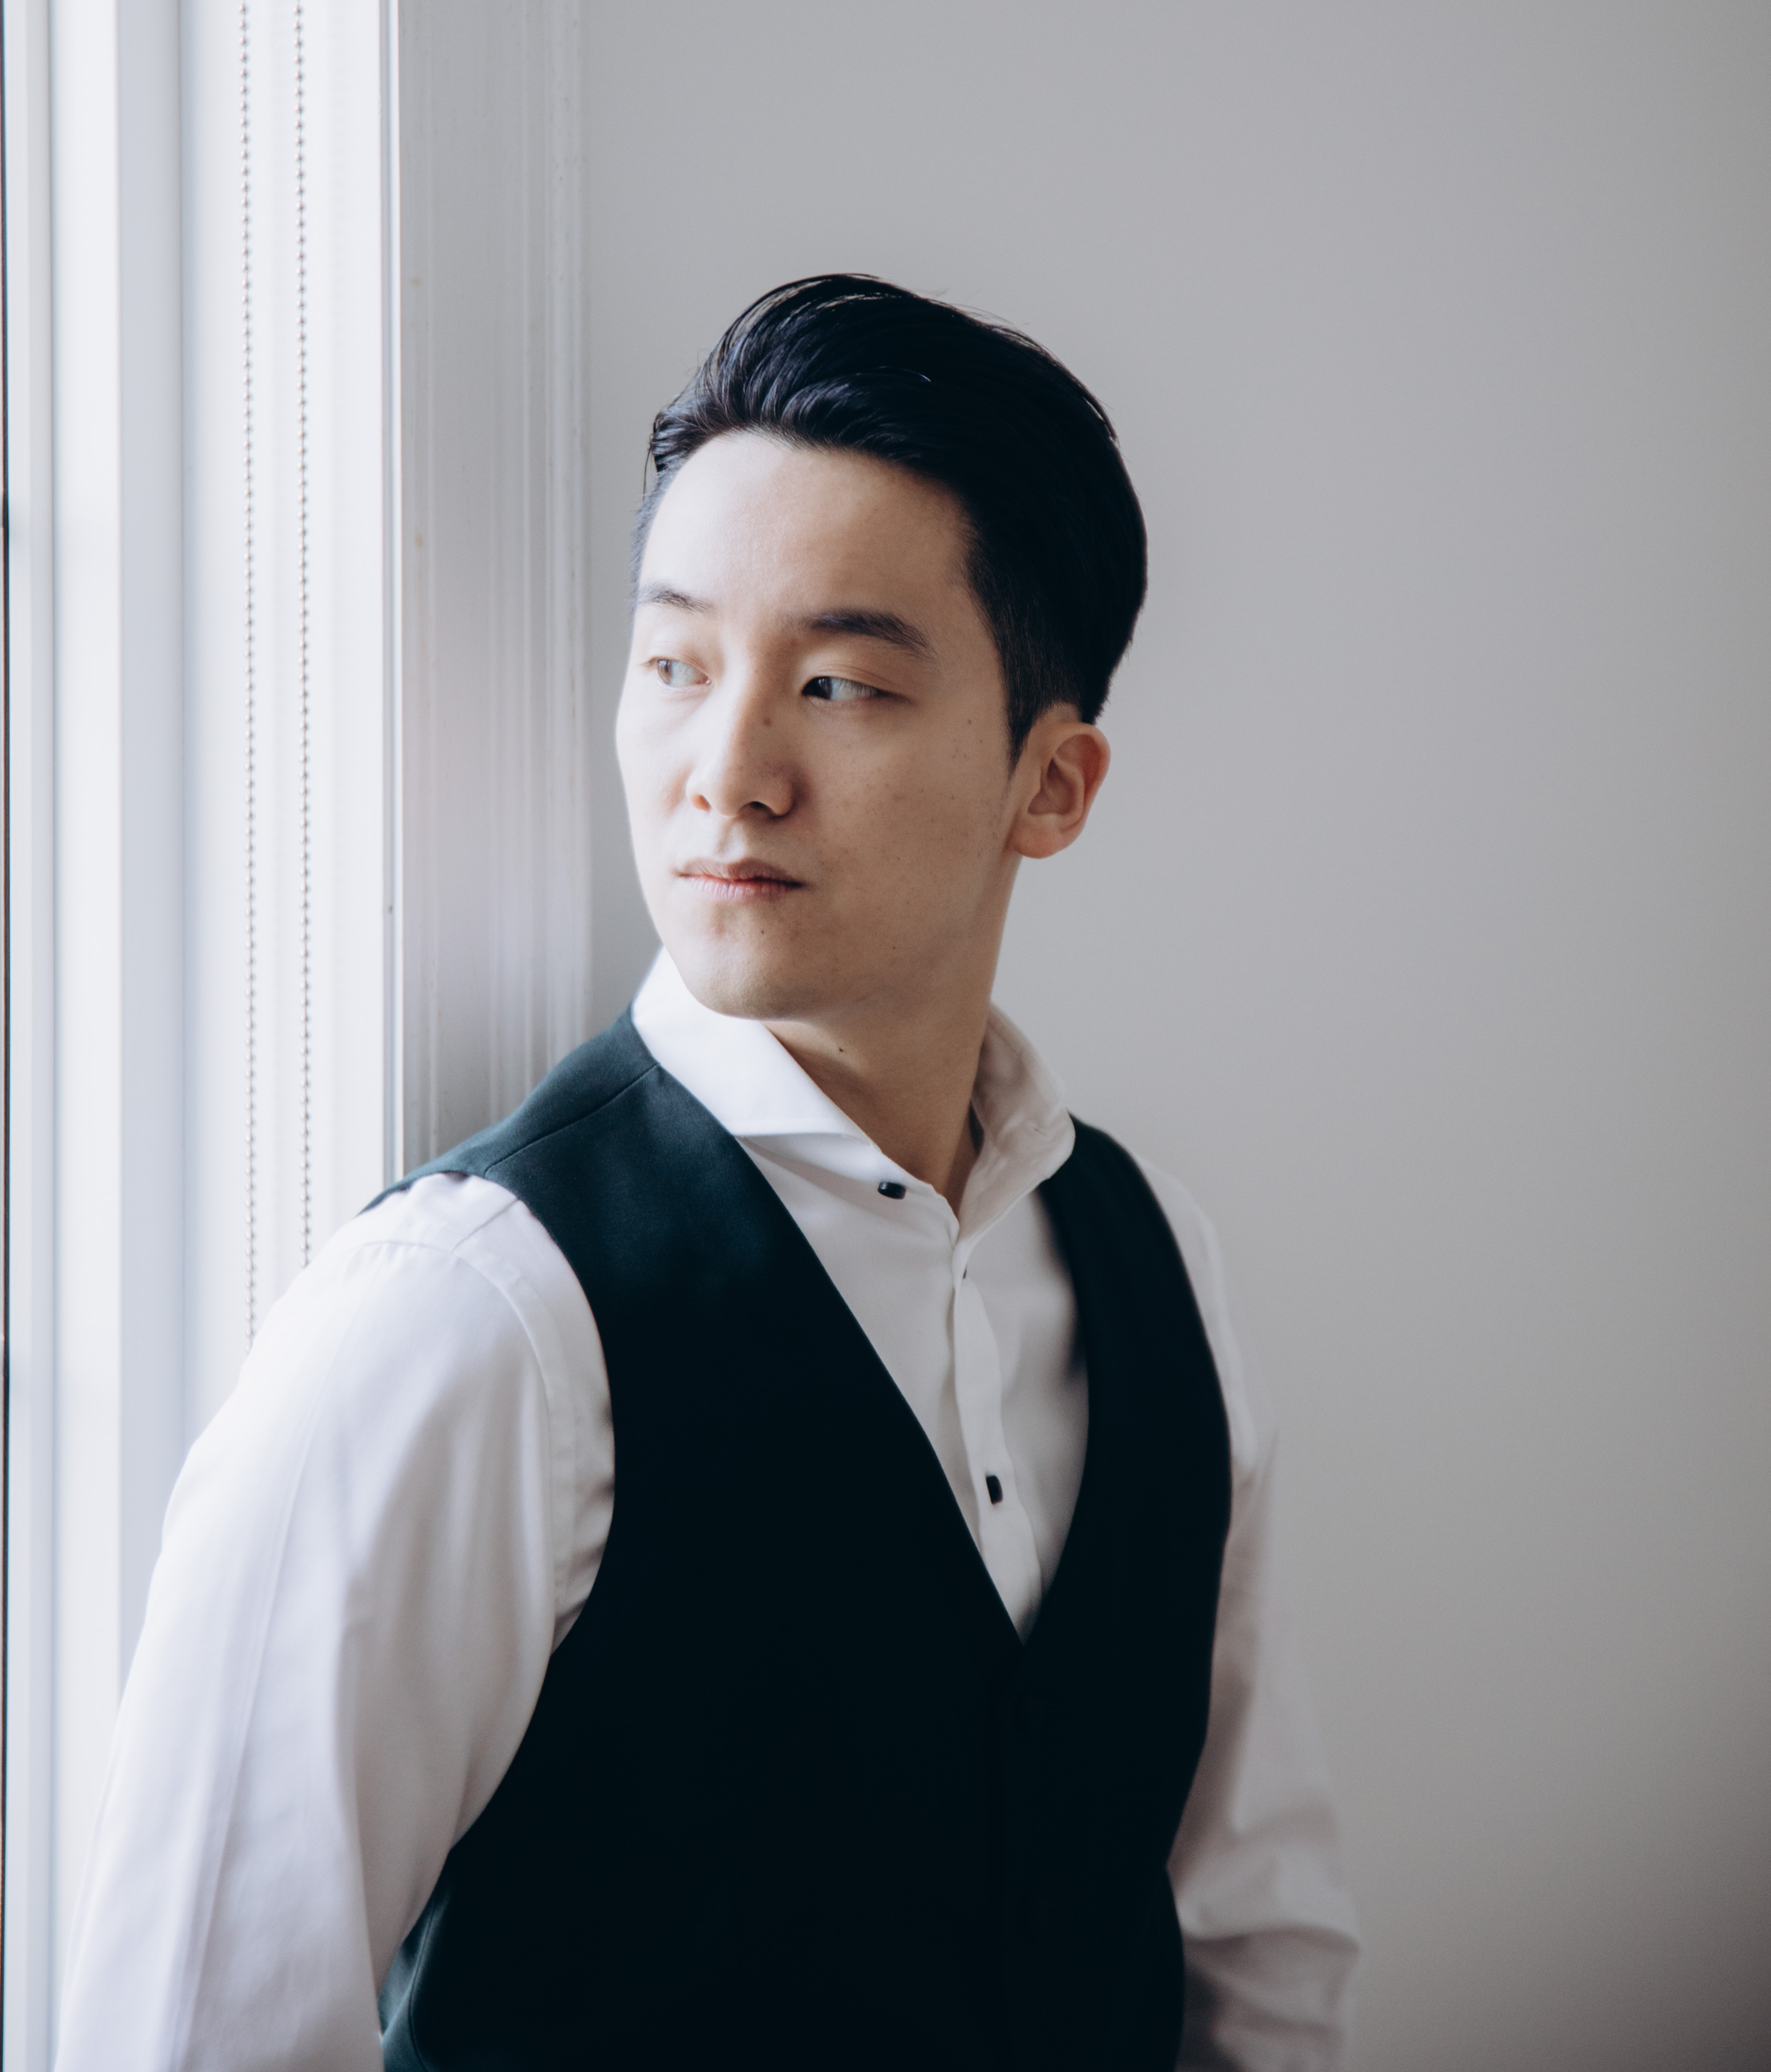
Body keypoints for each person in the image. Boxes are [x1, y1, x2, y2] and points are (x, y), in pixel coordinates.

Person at [58, 275, 1359, 2070]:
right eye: (673, 665)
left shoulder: (1156, 1269)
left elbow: (1258, 1949)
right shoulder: (468, 1325)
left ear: (1049, 787)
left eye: (837, 685)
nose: (726, 775)